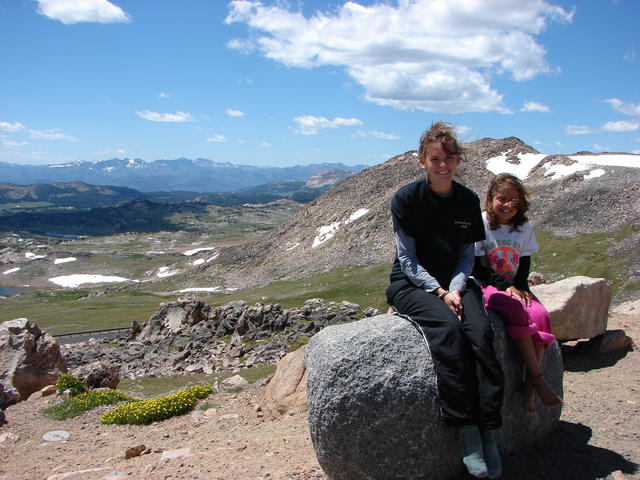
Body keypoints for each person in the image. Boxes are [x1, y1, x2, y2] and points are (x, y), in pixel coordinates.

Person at [386, 121, 504, 479]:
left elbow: (468, 254)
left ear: (458, 160)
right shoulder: (406, 199)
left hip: (456, 281)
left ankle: (489, 431)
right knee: (449, 333)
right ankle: (467, 431)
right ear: (422, 160)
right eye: (435, 158)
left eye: (450, 157)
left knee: (480, 334)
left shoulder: (467, 200)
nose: (443, 164)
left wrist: (454, 288)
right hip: (412, 284)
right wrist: (438, 292)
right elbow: (407, 260)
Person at [473, 173, 563, 416]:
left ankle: (531, 386)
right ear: (490, 199)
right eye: (501, 199)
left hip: (515, 284)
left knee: (541, 313)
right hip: (487, 284)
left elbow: (524, 259)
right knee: (518, 312)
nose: (507, 205)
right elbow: (476, 265)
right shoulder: (481, 222)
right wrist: (504, 285)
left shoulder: (523, 226)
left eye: (513, 200)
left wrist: (520, 285)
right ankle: (536, 379)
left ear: (521, 202)